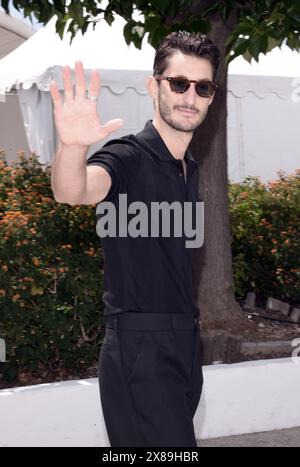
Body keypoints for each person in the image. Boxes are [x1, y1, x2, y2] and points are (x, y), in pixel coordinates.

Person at [50, 31, 220, 447]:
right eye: (178, 83)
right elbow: (74, 190)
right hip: (140, 349)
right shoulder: (128, 156)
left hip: (184, 343)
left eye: (203, 87)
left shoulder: (188, 167)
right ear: (153, 86)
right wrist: (72, 147)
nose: (190, 96)